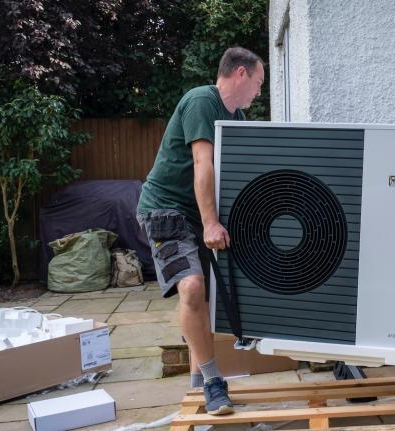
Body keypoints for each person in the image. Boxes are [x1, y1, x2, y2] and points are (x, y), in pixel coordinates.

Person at [136, 47, 264, 415]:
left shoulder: (235, 116)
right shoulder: (201, 102)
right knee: (191, 288)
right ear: (240, 74)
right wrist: (210, 223)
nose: (258, 92)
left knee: (208, 302)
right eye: (257, 83)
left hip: (197, 213)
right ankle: (212, 381)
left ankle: (198, 391)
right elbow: (201, 163)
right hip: (165, 211)